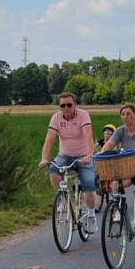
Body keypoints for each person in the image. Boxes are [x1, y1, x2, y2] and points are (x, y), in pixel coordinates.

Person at [100, 103, 135, 246]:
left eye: (129, 114)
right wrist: (101, 153)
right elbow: (109, 144)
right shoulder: (120, 131)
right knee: (116, 183)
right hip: (129, 165)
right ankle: (118, 208)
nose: (126, 117)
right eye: (123, 114)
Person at [39, 92, 98, 233]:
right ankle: (63, 198)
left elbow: (88, 135)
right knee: (53, 171)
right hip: (65, 155)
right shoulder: (56, 118)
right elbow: (49, 139)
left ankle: (91, 215)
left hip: (83, 156)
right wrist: (44, 158)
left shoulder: (83, 115)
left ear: (75, 105)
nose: (66, 108)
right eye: (63, 105)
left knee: (89, 185)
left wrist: (89, 155)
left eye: (69, 105)